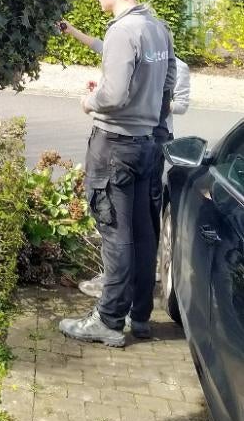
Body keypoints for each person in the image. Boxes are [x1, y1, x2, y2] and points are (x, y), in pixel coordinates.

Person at [58, 0, 176, 347]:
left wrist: (89, 101)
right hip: (146, 145)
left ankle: (108, 320)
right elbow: (167, 86)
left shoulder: (125, 31)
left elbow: (114, 93)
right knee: (143, 235)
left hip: (115, 147)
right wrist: (154, 131)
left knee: (115, 235)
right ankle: (139, 317)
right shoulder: (158, 29)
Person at [59, 19, 190, 297]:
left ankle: (120, 297)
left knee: (129, 223)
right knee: (130, 223)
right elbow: (101, 48)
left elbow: (177, 102)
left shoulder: (175, 66)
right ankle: (131, 298)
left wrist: (98, 101)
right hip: (140, 136)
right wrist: (72, 31)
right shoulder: (137, 54)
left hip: (150, 138)